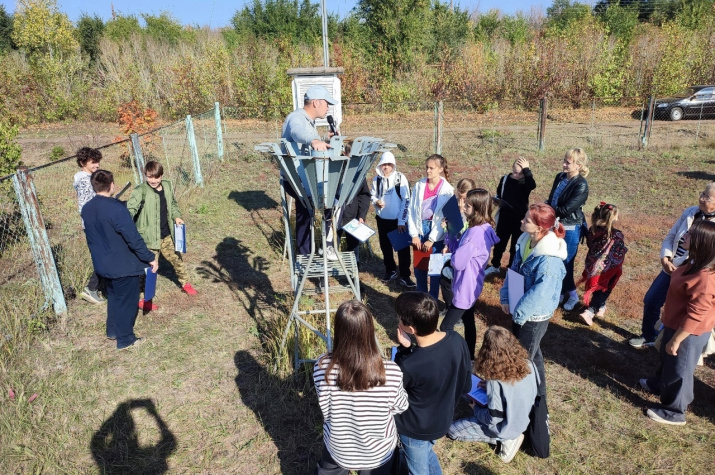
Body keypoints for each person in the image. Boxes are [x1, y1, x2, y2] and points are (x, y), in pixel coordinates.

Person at [313, 300, 409, 474]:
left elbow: (324, 404)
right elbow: (401, 406)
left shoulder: (321, 367)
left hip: (338, 447)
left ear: (339, 330)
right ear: (369, 330)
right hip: (378, 453)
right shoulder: (390, 371)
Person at [639, 220, 715, 425]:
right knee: (667, 358)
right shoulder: (691, 262)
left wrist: (678, 339)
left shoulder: (705, 278)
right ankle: (659, 384)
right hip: (674, 324)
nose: (685, 236)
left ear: (702, 242)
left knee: (680, 369)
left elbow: (697, 314)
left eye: (690, 234)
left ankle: (675, 411)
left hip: (689, 332)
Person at [393, 291, 472, 475]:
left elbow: (393, 392)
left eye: (400, 319)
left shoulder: (410, 363)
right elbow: (466, 385)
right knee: (427, 453)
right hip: (442, 420)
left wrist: (404, 351)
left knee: (418, 469)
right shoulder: (457, 340)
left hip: (415, 428)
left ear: (411, 329)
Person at [629, 183, 715, 348]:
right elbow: (672, 235)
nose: (701, 198)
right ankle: (649, 335)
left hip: (695, 275)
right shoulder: (690, 212)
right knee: (652, 299)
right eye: (702, 193)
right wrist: (665, 258)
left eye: (707, 197)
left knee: (682, 311)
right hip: (672, 268)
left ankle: (673, 344)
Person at [81, 170, 158, 350]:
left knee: (114, 297)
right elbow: (132, 237)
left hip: (102, 264)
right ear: (112, 185)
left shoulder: (87, 208)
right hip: (122, 265)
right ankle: (126, 339)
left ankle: (112, 330)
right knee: (127, 301)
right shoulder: (117, 209)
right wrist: (150, 258)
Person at [499, 204, 566, 396]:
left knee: (522, 358)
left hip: (533, 316)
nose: (522, 221)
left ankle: (522, 398)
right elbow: (514, 269)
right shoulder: (525, 241)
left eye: (527, 220)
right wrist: (506, 296)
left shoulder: (549, 261)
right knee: (532, 353)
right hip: (520, 309)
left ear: (539, 228)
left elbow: (541, 293)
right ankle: (538, 393)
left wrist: (518, 315)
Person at [447, 326, 538, 464]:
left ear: (487, 351)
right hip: (522, 417)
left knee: (453, 431)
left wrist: (475, 409)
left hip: (505, 428)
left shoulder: (495, 382)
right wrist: (489, 385)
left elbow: (492, 419)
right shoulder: (530, 364)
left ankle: (507, 439)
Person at [127, 161, 196, 311]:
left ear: (161, 176)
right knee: (148, 270)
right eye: (149, 177)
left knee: (177, 260)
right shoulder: (141, 191)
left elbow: (173, 205)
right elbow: (130, 210)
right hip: (149, 239)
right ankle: (143, 299)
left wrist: (177, 216)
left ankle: (185, 284)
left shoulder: (167, 186)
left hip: (167, 236)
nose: (152, 180)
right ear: (145, 175)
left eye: (155, 177)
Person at [439, 189, 499, 360]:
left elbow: (458, 261)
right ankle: (470, 357)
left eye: (468, 206)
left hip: (464, 287)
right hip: (473, 283)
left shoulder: (474, 234)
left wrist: (452, 252)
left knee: (446, 327)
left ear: (478, 209)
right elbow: (461, 249)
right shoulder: (483, 228)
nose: (463, 207)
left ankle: (457, 357)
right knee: (468, 321)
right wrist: (451, 234)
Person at [281, 85, 337, 258]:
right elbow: (297, 132)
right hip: (296, 178)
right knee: (330, 200)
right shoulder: (297, 118)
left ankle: (312, 250)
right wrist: (313, 140)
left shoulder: (308, 122)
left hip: (305, 178)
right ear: (316, 103)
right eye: (327, 103)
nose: (328, 107)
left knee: (312, 208)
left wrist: (324, 140)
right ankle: (313, 252)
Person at [546, 148, 590, 311]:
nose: (564, 164)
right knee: (555, 260)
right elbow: (553, 198)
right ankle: (562, 292)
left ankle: (571, 295)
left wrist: (547, 210)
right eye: (564, 160)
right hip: (556, 224)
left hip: (570, 229)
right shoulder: (560, 177)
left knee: (566, 263)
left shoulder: (581, 186)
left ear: (578, 165)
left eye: (568, 162)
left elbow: (565, 210)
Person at [407, 155, 454, 300]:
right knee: (419, 267)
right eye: (426, 167)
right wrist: (414, 234)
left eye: (431, 168)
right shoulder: (419, 185)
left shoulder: (447, 190)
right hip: (420, 230)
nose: (428, 170)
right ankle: (420, 297)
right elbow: (411, 211)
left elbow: (443, 218)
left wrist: (432, 239)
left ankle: (432, 299)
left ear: (440, 169)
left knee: (435, 268)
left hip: (436, 234)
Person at [578, 202, 628, 326]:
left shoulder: (593, 230)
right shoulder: (616, 235)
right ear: (614, 216)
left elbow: (590, 245)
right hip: (607, 268)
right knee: (605, 289)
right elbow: (619, 252)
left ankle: (601, 307)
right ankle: (589, 312)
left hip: (592, 265)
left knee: (598, 287)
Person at [485, 157, 536, 276]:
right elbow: (500, 192)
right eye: (515, 172)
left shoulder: (525, 182)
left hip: (519, 218)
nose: (517, 176)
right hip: (505, 216)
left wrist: (527, 171)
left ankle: (511, 268)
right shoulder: (505, 179)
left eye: (521, 173)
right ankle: (495, 265)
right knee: (500, 243)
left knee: (515, 245)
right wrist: (497, 200)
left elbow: (532, 185)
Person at [371, 151, 414, 287]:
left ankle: (405, 275)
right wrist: (377, 201)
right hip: (382, 219)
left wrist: (402, 221)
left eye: (389, 164)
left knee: (402, 249)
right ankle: (390, 270)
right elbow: (372, 196)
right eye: (384, 164)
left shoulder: (400, 179)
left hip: (398, 221)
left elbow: (406, 201)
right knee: (385, 247)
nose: (386, 167)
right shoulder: (376, 180)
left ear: (393, 165)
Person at [73, 147, 105, 304]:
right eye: (93, 162)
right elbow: (89, 205)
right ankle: (91, 289)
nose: (97, 165)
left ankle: (98, 286)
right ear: (82, 163)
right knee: (103, 256)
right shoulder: (86, 181)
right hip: (94, 224)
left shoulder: (87, 177)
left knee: (104, 254)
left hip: (95, 222)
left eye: (98, 162)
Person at [439, 178, 477, 307]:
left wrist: (461, 214)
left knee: (459, 283)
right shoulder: (455, 204)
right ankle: (450, 306)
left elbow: (464, 231)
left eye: (464, 198)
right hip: (453, 247)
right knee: (445, 280)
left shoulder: (473, 211)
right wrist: (446, 227)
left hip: (465, 251)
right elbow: (452, 229)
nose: (461, 202)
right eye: (459, 197)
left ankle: (458, 310)